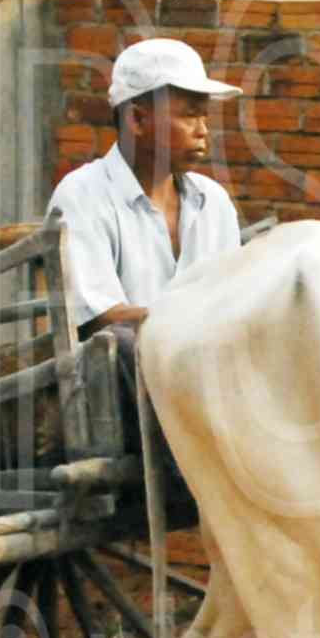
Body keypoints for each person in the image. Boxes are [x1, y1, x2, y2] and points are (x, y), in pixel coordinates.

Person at [45, 36, 244, 523]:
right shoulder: (83, 195)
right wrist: (191, 325)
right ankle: (212, 481)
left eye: (204, 116)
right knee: (128, 342)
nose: (203, 130)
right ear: (137, 119)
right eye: (189, 114)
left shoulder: (211, 201)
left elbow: (235, 302)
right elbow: (98, 317)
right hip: (118, 389)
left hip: (199, 378)